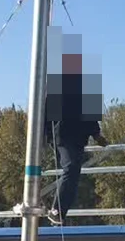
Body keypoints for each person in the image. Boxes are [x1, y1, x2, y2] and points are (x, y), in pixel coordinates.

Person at [44, 49, 108, 225]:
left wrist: (97, 135)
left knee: (73, 174)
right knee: (71, 168)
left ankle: (60, 212)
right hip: (63, 136)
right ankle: (56, 210)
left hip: (77, 137)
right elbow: (46, 111)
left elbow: (91, 115)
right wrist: (47, 137)